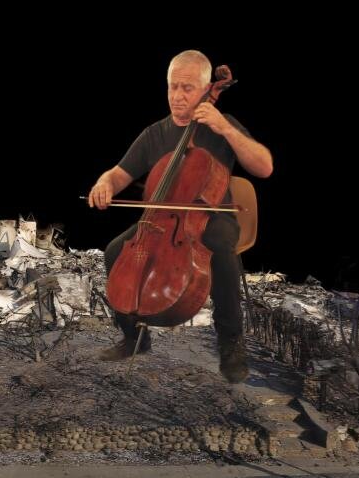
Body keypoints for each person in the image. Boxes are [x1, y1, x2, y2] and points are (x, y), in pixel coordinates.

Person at [87, 50, 273, 383]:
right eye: (173, 86)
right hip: (162, 221)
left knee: (220, 249)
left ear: (204, 90)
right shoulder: (154, 134)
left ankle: (231, 343)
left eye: (187, 88)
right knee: (115, 251)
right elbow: (117, 174)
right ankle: (134, 336)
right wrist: (104, 184)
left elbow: (264, 166)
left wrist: (226, 129)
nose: (177, 96)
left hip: (213, 215)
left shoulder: (221, 124)